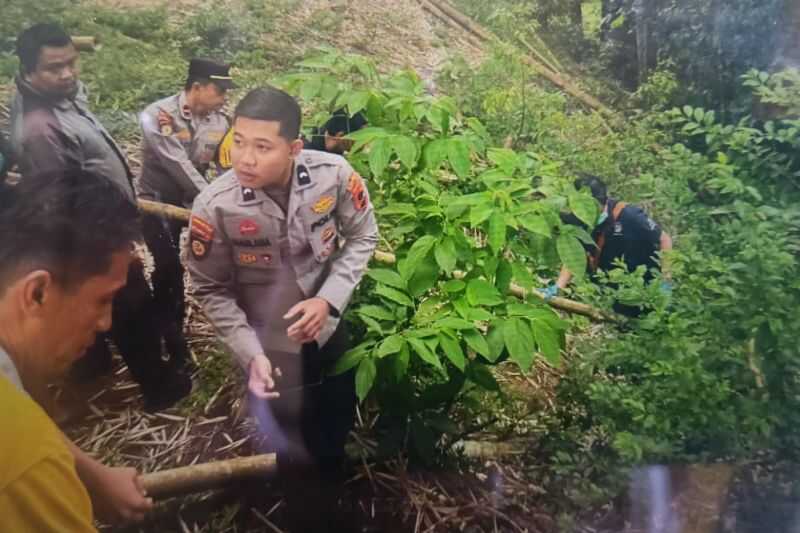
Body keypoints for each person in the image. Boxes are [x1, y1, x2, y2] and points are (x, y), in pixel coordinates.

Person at [186, 87, 378, 529]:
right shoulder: (216, 205)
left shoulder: (333, 175)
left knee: (334, 415)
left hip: (327, 328)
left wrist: (328, 300)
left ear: (293, 148)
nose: (245, 158)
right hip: (267, 347)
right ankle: (302, 514)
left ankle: (334, 496)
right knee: (290, 440)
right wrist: (250, 355)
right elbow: (211, 289)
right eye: (239, 141)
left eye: (262, 147)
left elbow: (363, 237)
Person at [9, 23, 191, 410]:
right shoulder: (39, 130)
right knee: (131, 309)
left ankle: (91, 366)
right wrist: (112, 247)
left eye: (71, 63)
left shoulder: (61, 98)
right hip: (91, 237)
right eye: (54, 68)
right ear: (28, 72)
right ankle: (159, 387)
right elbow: (63, 205)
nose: (67, 74)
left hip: (100, 225)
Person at [0, 169, 153, 530]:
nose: (106, 323)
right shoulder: (26, 462)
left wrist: (90, 473)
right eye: (103, 300)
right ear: (37, 293)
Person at [138, 58, 233, 375]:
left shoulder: (220, 122)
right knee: (168, 269)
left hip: (191, 205)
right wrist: (212, 201)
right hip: (156, 205)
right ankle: (172, 341)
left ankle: (165, 322)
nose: (223, 99)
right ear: (197, 87)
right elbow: (179, 166)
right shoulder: (158, 116)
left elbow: (223, 166)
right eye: (219, 91)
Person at [541, 175, 673, 317]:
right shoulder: (579, 218)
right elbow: (574, 254)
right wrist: (559, 286)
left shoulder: (629, 215)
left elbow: (664, 240)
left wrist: (665, 279)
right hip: (614, 291)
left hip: (645, 284)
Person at [302, 108, 367, 154]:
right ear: (341, 136)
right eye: (362, 137)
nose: (366, 142)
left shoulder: (332, 150)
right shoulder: (306, 153)